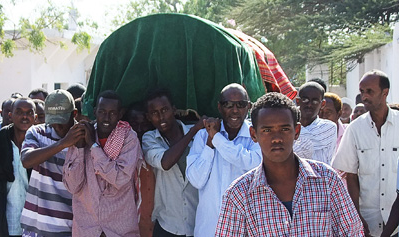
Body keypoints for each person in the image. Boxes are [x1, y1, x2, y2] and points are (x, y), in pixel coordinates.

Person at [215, 92, 364, 236]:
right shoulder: (239, 194)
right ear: (254, 134)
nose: (277, 138)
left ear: (297, 131)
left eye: (285, 129)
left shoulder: (327, 180)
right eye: (267, 130)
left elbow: (353, 232)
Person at [186, 83, 262, 237]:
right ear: (219, 107)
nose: (235, 110)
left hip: (244, 230)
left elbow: (252, 163)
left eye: (240, 104)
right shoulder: (203, 136)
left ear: (249, 107)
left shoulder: (256, 134)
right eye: (228, 104)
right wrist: (209, 144)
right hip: (209, 229)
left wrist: (217, 139)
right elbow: (196, 180)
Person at [63, 90, 142, 236]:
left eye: (112, 113)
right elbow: (73, 186)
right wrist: (80, 149)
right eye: (102, 112)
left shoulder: (128, 138)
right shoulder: (81, 135)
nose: (106, 118)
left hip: (119, 230)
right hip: (87, 229)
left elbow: (120, 178)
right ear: (95, 112)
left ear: (120, 114)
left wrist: (93, 146)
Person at [332, 69, 399, 236]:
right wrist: (357, 217)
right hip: (368, 222)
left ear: (385, 93)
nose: (364, 96)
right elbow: (350, 175)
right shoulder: (355, 129)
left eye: (370, 91)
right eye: (362, 91)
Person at [142, 89, 204, 237]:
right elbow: (165, 163)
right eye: (154, 113)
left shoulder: (200, 136)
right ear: (148, 117)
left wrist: (195, 131)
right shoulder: (149, 139)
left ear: (174, 110)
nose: (161, 117)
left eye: (164, 110)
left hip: (198, 224)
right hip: (168, 226)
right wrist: (193, 131)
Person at [20, 89, 81, 237]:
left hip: (71, 227)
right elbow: (26, 160)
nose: (57, 127)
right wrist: (63, 144)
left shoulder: (84, 136)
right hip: (36, 228)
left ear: (74, 114)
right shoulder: (37, 132)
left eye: (61, 121)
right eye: (53, 121)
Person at [0, 98, 36, 236]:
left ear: (35, 117)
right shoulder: (1, 141)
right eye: (19, 112)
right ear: (10, 115)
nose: (24, 117)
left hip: (34, 224)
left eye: (29, 113)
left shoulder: (42, 144)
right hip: (7, 222)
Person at [125, 102, 155, 237]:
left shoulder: (157, 150)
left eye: (144, 125)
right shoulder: (121, 155)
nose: (139, 129)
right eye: (134, 125)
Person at [295, 82, 337, 165]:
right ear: (297, 101)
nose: (309, 105)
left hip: (320, 177)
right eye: (305, 100)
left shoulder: (329, 128)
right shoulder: (288, 126)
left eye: (315, 101)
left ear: (322, 104)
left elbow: (301, 146)